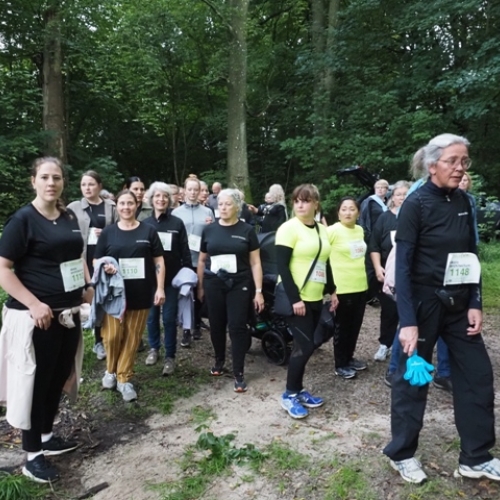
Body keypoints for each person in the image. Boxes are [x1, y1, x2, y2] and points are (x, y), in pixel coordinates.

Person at [384, 133, 500, 484]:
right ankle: (402, 454)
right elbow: (403, 266)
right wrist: (408, 322)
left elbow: (470, 255)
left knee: (478, 376)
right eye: (452, 161)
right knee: (413, 379)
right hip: (423, 305)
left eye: (464, 161)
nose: (460, 167)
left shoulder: (464, 201)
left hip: (459, 305)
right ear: (432, 165)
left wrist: (475, 302)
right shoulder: (415, 204)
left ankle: (476, 457)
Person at [0, 157, 94, 483]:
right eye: (44, 177)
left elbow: (76, 256)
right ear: (33, 181)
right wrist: (33, 304)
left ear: (63, 182)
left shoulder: (68, 216)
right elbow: (3, 269)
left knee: (58, 377)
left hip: (68, 314)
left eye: (56, 177)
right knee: (36, 385)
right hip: (37, 319)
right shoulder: (23, 220)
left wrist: (88, 286)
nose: (51, 183)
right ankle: (32, 457)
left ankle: (46, 437)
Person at [94, 190, 165, 402]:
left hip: (141, 292)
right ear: (117, 206)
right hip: (114, 295)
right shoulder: (109, 232)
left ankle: (124, 378)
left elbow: (159, 260)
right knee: (112, 336)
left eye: (130, 203)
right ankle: (111, 370)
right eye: (122, 203)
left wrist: (160, 288)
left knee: (132, 337)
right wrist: (105, 267)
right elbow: (96, 260)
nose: (126, 207)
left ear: (137, 205)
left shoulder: (148, 231)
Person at [276, 184, 338, 418]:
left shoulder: (321, 229)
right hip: (297, 298)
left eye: (306, 201)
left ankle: (298, 389)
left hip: (315, 297)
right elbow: (282, 266)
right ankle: (289, 394)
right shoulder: (288, 228)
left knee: (307, 345)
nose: (300, 205)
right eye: (297, 201)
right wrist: (295, 299)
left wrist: (333, 291)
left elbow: (324, 262)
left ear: (316, 204)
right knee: (305, 346)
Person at [197, 188, 264, 392]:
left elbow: (255, 262)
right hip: (214, 283)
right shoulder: (209, 230)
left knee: (237, 326)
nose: (223, 208)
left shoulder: (247, 230)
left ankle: (238, 372)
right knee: (216, 324)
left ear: (237, 207)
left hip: (239, 283)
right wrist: (200, 286)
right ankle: (219, 361)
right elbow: (202, 260)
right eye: (220, 204)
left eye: (228, 204)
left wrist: (258, 291)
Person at [142, 182, 191, 376]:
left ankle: (170, 356)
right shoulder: (145, 223)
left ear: (169, 199)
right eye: (157, 196)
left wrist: (188, 274)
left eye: (164, 196)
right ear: (151, 199)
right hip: (150, 279)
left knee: (169, 318)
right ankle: (154, 348)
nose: (161, 199)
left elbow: (185, 250)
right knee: (152, 317)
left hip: (172, 279)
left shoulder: (177, 223)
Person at [68, 171, 118, 360]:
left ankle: (105, 338)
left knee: (104, 298)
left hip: (105, 259)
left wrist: (105, 232)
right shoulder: (73, 207)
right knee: (87, 299)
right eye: (83, 185)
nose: (87, 188)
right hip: (81, 259)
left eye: (91, 184)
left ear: (99, 186)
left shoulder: (111, 207)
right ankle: (88, 341)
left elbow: (119, 228)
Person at [328, 197, 368, 379]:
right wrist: (331, 289)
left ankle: (349, 357)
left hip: (360, 285)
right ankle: (340, 363)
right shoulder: (332, 231)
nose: (348, 212)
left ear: (358, 213)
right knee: (342, 328)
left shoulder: (360, 230)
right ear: (338, 213)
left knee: (355, 326)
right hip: (342, 287)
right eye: (344, 209)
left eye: (352, 209)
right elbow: (322, 256)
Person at [369, 181, 409, 361]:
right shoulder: (384, 218)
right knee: (389, 311)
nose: (402, 198)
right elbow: (374, 245)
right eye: (399, 194)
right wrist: (378, 267)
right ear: (392, 197)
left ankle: (410, 347)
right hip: (388, 273)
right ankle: (385, 344)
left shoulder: (416, 217)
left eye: (406, 194)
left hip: (411, 273)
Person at [172, 175, 215, 345]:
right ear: (184, 191)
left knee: (199, 292)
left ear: (199, 192)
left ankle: (197, 323)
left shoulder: (207, 212)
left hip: (201, 259)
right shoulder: (176, 213)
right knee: (185, 294)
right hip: (183, 260)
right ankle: (185, 329)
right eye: (189, 189)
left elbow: (213, 233)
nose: (192, 192)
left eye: (196, 189)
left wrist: (211, 225)